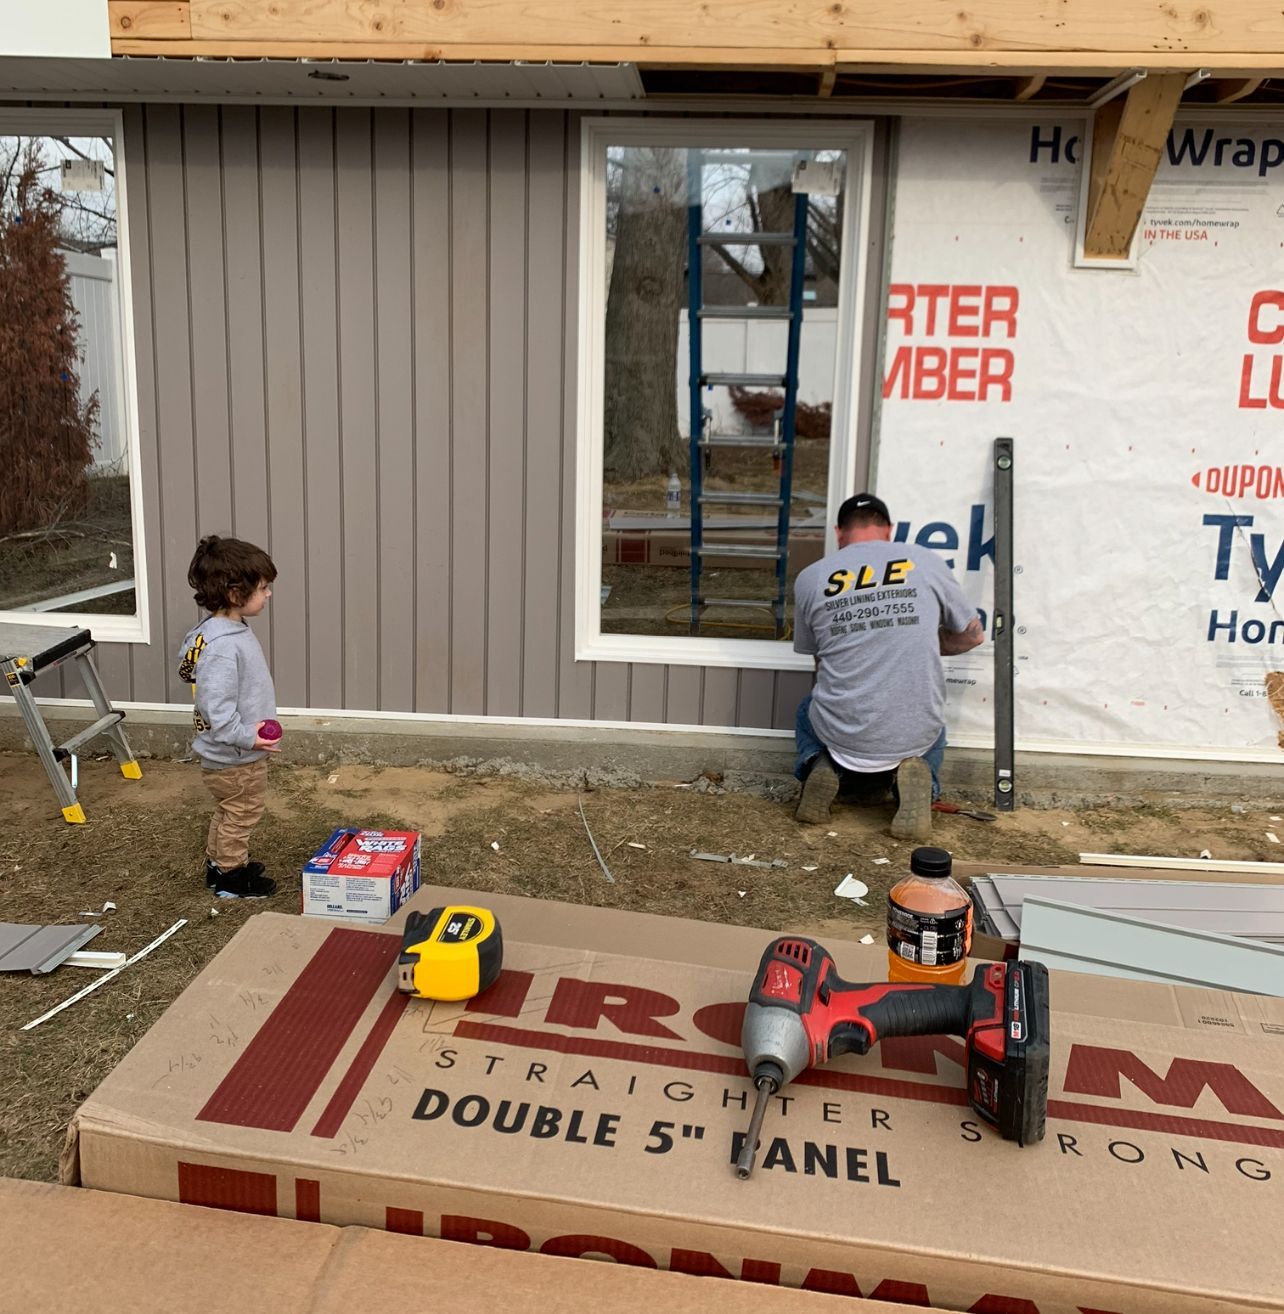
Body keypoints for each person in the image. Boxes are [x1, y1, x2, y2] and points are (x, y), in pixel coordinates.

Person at [792, 493, 983, 837]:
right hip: (913, 729)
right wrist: (925, 639)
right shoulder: (926, 561)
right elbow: (973, 636)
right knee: (935, 728)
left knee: (808, 709)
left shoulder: (811, 577)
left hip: (843, 731)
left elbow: (818, 660)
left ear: (839, 532)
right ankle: (919, 784)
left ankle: (819, 767)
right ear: (889, 530)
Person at [177, 535, 281, 899]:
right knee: (242, 812)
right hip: (235, 756)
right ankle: (230, 876)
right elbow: (215, 708)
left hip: (230, 753)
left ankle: (219, 862)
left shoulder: (213, 633)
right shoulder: (223, 646)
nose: (268, 594)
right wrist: (247, 737)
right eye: (263, 587)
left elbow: (187, 670)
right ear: (236, 594)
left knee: (228, 810)